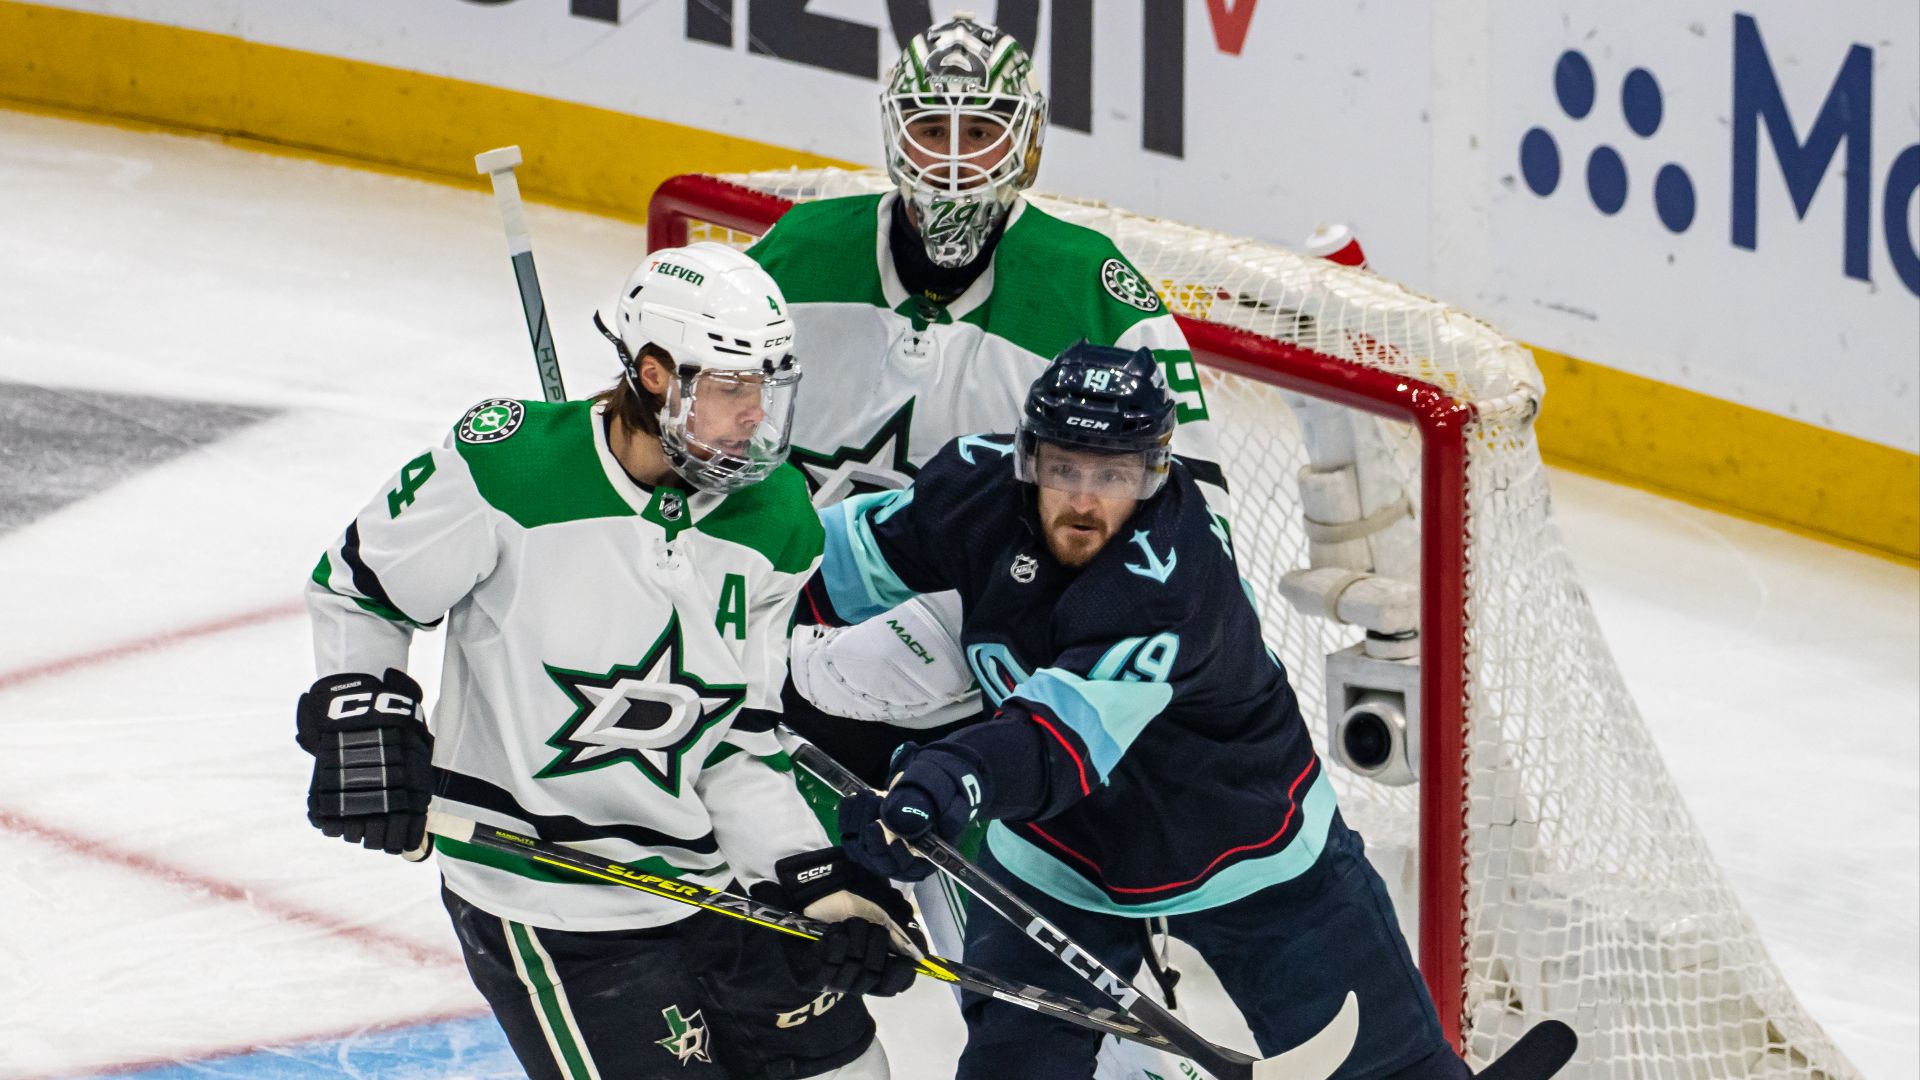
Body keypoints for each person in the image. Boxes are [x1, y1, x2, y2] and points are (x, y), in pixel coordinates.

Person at [296, 243, 920, 1080]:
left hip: (716, 887)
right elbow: (358, 588)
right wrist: (364, 707)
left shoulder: (778, 520)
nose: (756, 418)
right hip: (554, 902)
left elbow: (740, 741)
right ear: (656, 375)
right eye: (733, 389)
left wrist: (810, 879)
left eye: (769, 391)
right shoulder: (508, 467)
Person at [820, 342, 1470, 1080]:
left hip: (1248, 847)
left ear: (1155, 472)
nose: (1086, 501)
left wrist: (943, 781)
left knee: (1391, 1071)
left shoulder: (1171, 576)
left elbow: (1050, 745)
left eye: (1115, 475)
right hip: (1057, 856)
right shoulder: (973, 485)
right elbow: (812, 564)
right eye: (1065, 468)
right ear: (1029, 456)